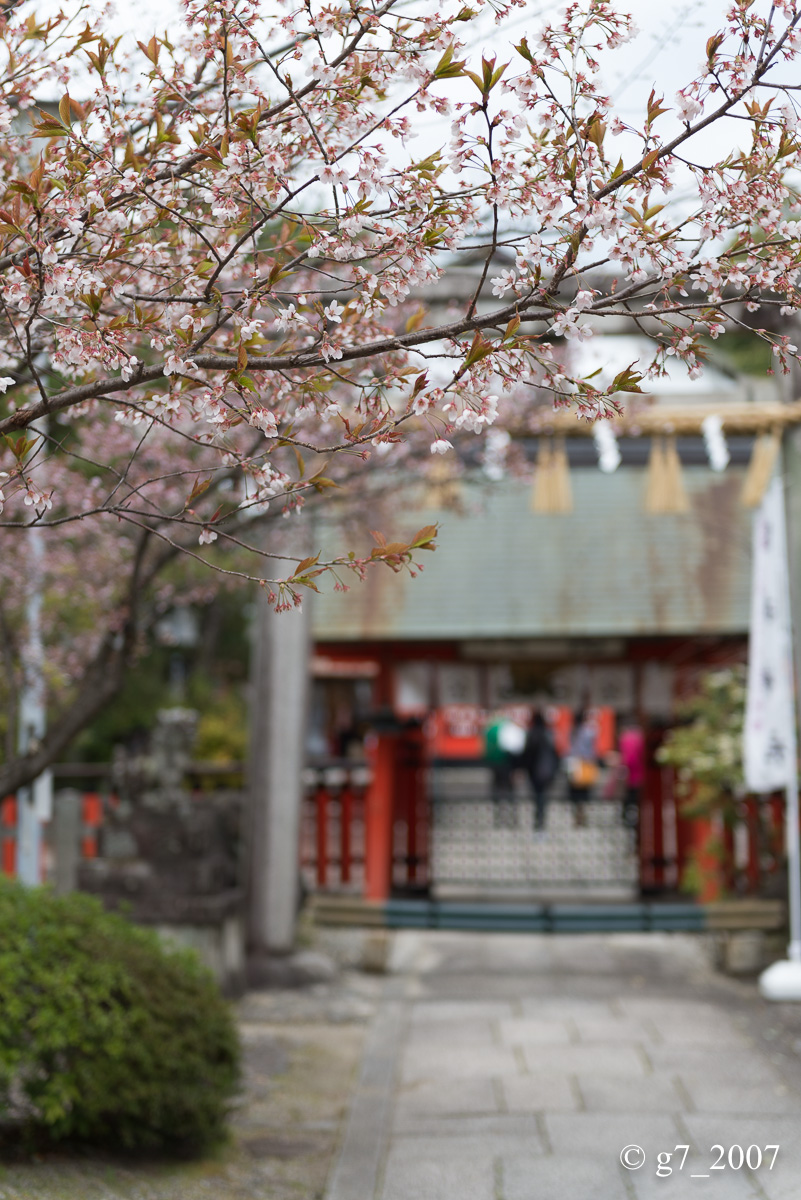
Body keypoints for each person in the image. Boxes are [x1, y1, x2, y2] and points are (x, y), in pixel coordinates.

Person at [520, 710, 561, 831]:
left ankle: (539, 822)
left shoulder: (532, 734)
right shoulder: (548, 734)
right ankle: (540, 821)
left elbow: (527, 755)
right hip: (546, 771)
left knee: (538, 797)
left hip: (534, 772)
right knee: (542, 797)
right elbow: (555, 754)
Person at [485, 711, 522, 827]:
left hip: (495, 764)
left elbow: (485, 750)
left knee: (497, 790)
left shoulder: (491, 729)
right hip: (510, 765)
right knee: (511, 791)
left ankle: (498, 817)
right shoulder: (512, 728)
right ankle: (513, 818)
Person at [567, 708, 598, 827]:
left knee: (576, 792)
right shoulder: (588, 731)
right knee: (584, 792)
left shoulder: (573, 731)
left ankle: (578, 816)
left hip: (575, 764)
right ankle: (581, 815)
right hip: (585, 764)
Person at [619, 714, 645, 837]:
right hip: (642, 776)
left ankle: (628, 820)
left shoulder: (627, 738)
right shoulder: (641, 737)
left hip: (632, 776)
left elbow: (628, 759)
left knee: (630, 800)